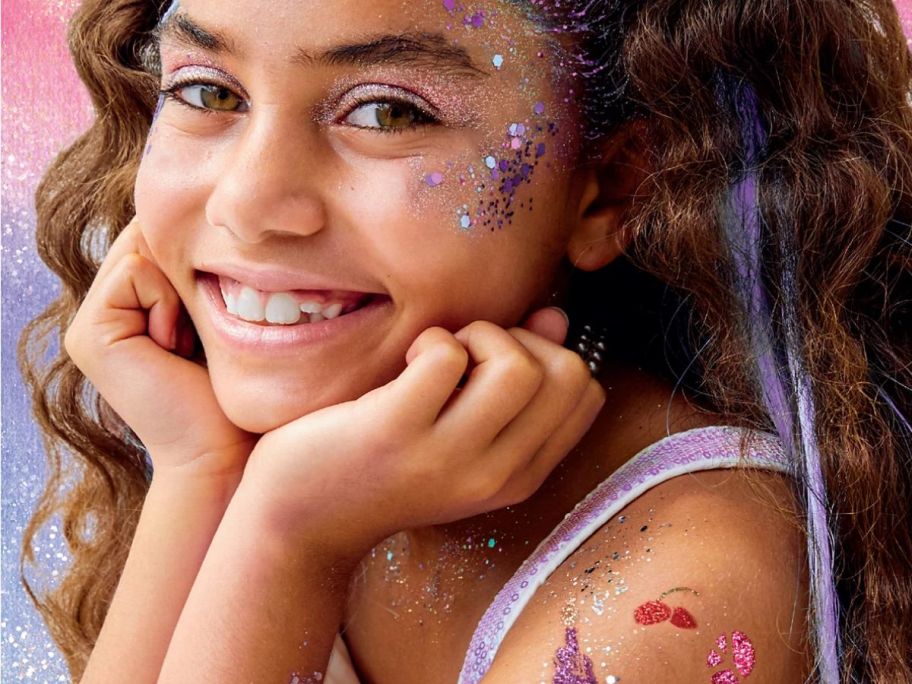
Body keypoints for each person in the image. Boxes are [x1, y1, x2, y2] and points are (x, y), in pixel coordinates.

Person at [18, 0, 911, 681]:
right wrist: (198, 474)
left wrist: (289, 541)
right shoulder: (319, 449)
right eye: (208, 92)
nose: (248, 206)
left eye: (387, 114)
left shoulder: (679, 590)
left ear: (607, 189)